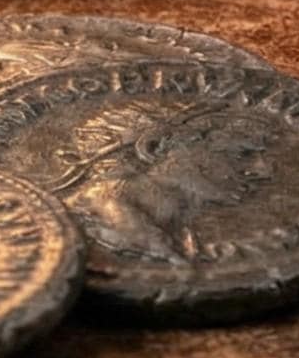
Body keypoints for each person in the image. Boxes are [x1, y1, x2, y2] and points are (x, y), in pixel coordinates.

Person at [51, 100, 284, 263]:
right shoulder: (95, 218)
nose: (262, 171)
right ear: (156, 147)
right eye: (240, 154)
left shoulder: (177, 235)